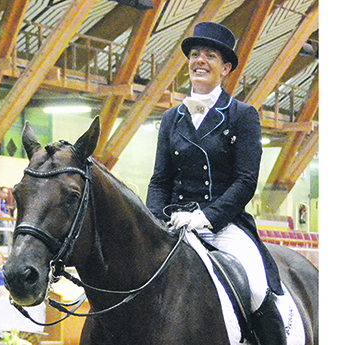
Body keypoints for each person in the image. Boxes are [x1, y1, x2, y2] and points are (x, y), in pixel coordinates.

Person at [146, 22, 286, 345]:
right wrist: (155, 220)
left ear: (224, 68)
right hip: (175, 222)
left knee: (255, 286)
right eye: (195, 54)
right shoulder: (171, 118)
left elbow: (246, 181)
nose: (200, 61)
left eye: (210, 55)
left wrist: (206, 217)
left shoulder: (242, 115)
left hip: (223, 225)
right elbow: (159, 180)